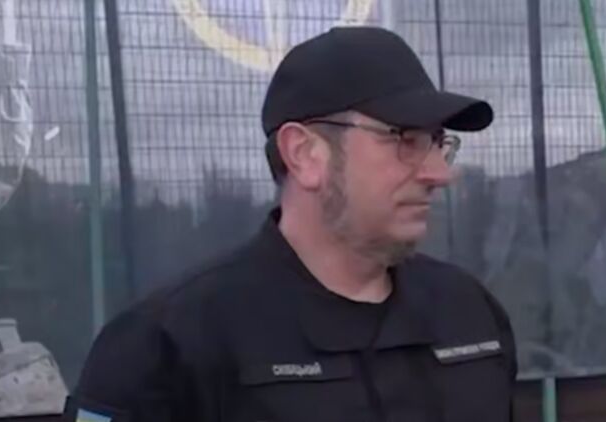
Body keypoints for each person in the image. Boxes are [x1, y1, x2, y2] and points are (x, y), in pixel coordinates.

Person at [63, 26, 517, 422]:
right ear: (304, 154)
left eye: (438, 143)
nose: (440, 173)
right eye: (407, 140)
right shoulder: (165, 347)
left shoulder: (471, 315)